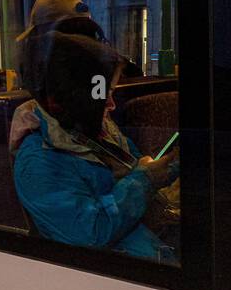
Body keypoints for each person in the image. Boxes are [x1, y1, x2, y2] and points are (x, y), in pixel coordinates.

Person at [11, 31, 178, 263]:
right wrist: (145, 180)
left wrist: (166, 167)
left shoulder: (94, 129)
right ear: (74, 98)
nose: (111, 104)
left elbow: (135, 165)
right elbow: (91, 233)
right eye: (104, 95)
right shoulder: (38, 161)